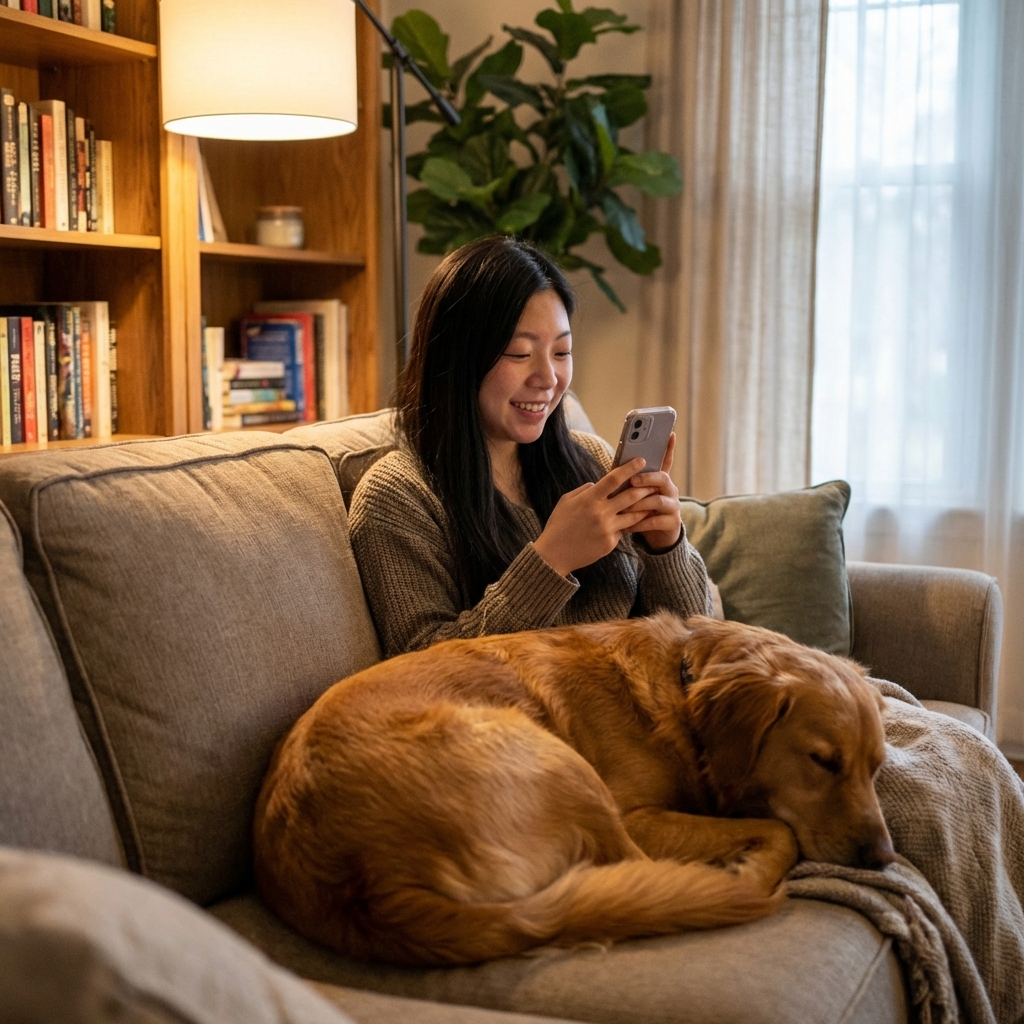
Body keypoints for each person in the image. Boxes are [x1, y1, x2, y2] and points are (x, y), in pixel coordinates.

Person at [348, 234, 712, 659]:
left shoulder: (590, 462)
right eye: (520, 353)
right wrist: (550, 559)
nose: (548, 377)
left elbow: (697, 646)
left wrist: (666, 546)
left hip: (634, 709)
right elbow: (422, 666)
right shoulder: (398, 497)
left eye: (562, 351)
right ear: (457, 359)